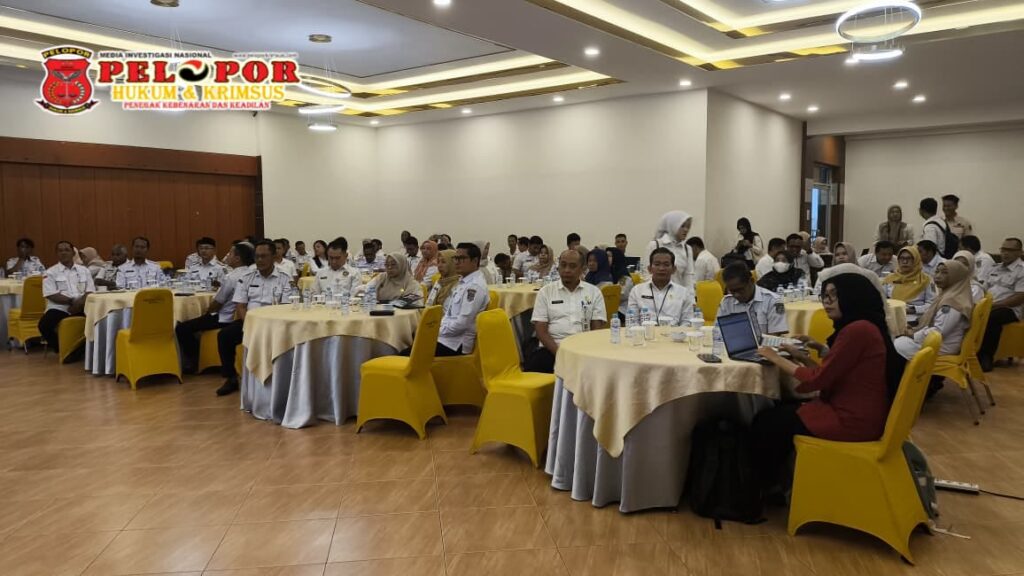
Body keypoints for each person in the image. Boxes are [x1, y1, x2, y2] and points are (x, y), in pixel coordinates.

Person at [752, 272, 905, 494]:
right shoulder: (866, 326)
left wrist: (774, 357)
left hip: (852, 420)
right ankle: (778, 483)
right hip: (863, 413)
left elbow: (818, 379)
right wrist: (801, 356)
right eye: (825, 295)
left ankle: (765, 489)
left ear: (853, 296)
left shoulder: (857, 331)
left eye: (834, 295)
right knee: (777, 415)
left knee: (767, 422)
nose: (827, 302)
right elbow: (830, 373)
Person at [216, 240, 293, 396]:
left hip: (275, 323)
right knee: (224, 336)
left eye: (264, 256)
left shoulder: (284, 278)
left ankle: (283, 378)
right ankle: (231, 378)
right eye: (257, 256)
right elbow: (241, 306)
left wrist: (270, 325)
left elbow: (286, 307)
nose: (259, 260)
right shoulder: (246, 277)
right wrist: (249, 325)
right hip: (250, 322)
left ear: (273, 257)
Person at [176, 243, 255, 374]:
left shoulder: (232, 277)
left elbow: (217, 303)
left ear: (237, 259)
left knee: (182, 328)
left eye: (230, 253)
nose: (227, 256)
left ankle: (194, 360)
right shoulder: (251, 273)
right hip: (237, 317)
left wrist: (207, 310)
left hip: (224, 318)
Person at [527, 249, 607, 373]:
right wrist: (560, 353)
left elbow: (596, 330)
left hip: (584, 348)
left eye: (572, 266)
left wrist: (586, 351)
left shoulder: (594, 292)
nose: (567, 270)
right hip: (552, 349)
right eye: (563, 265)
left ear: (582, 269)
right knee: (537, 363)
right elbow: (540, 330)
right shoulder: (546, 292)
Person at [895, 260, 973, 361]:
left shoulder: (953, 302)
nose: (938, 276)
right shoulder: (949, 294)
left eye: (944, 273)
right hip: (936, 341)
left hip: (942, 346)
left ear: (956, 276)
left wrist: (913, 335)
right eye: (937, 271)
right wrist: (915, 329)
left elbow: (938, 331)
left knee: (896, 344)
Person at [434, 243, 490, 356]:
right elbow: (449, 314)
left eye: (462, 258)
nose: (457, 262)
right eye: (455, 258)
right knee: (411, 342)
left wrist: (437, 331)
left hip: (456, 344)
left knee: (408, 355)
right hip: (445, 338)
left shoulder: (474, 286)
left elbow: (462, 323)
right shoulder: (463, 281)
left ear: (475, 261)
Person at [38, 240, 95, 352]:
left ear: (73, 253)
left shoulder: (84, 270)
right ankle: (63, 350)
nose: (63, 253)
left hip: (82, 306)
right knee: (44, 325)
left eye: (67, 250)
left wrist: (79, 304)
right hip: (60, 308)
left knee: (97, 320)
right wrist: (72, 302)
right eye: (60, 251)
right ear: (57, 253)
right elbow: (51, 294)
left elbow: (90, 291)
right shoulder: (50, 272)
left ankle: (84, 349)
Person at [978, 238, 1024, 371]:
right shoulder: (995, 268)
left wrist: (994, 305)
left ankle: (986, 357)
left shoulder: (1022, 271)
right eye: (1003, 249)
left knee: (992, 317)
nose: (1005, 253)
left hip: (1010, 309)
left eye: (1010, 250)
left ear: (1020, 252)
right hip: (988, 305)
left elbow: (1019, 298)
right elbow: (983, 288)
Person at [627, 247, 693, 326]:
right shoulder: (637, 291)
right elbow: (632, 321)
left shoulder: (683, 293)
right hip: (644, 332)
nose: (661, 268)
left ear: (674, 269)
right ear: (649, 269)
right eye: (657, 264)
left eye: (666, 265)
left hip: (674, 333)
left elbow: (687, 322)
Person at [717, 263, 788, 335]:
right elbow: (719, 333)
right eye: (732, 291)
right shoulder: (726, 302)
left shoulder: (774, 301)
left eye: (740, 290)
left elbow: (776, 336)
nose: (736, 295)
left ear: (751, 281)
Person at [882, 246, 935, 326]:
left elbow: (932, 304)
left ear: (916, 260)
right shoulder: (890, 278)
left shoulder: (926, 279)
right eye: (902, 258)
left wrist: (913, 309)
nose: (905, 261)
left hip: (915, 319)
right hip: (892, 317)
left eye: (909, 258)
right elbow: (882, 299)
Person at [645, 210, 695, 289]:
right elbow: (647, 274)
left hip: (679, 294)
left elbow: (688, 278)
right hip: (656, 292)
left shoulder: (687, 249)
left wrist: (690, 296)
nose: (686, 230)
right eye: (682, 226)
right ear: (673, 225)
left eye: (688, 227)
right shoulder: (655, 245)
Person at [607, 247, 634, 320]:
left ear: (616, 257)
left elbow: (621, 295)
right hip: (610, 306)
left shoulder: (624, 277)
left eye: (609, 256)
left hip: (622, 309)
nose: (606, 259)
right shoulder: (607, 273)